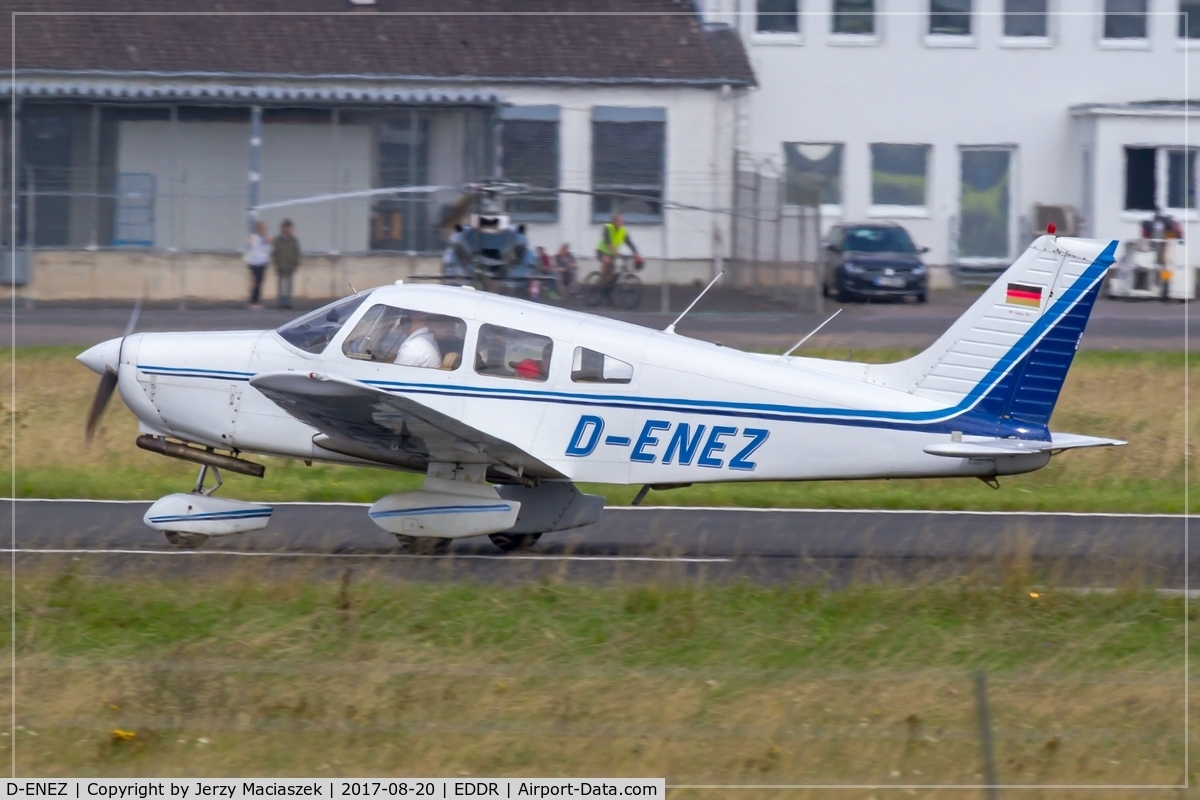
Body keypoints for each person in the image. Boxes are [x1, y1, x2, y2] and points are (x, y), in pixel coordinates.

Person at [595, 213, 644, 303]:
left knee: (614, 276)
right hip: (601, 251)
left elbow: (629, 243)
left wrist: (636, 253)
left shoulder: (623, 231)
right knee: (607, 262)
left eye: (622, 221)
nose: (622, 223)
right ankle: (600, 282)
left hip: (613, 254)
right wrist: (616, 252)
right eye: (620, 221)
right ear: (614, 221)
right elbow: (608, 242)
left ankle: (608, 295)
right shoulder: (608, 227)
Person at [271, 219, 301, 310]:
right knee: (281, 285)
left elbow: (297, 252)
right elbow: (274, 252)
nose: (289, 230)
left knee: (289, 285)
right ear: (283, 229)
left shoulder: (294, 241)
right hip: (281, 266)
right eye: (287, 228)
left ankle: (287, 302)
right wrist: (275, 262)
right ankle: (281, 302)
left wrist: (296, 263)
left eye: (290, 228)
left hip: (290, 266)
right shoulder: (278, 241)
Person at [244, 219, 272, 310]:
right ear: (257, 229)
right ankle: (253, 301)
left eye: (264, 228)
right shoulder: (253, 238)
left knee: (260, 282)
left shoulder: (266, 238)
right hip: (254, 263)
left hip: (262, 263)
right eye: (261, 228)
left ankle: (257, 300)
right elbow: (249, 249)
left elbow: (268, 249)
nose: (263, 230)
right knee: (256, 282)